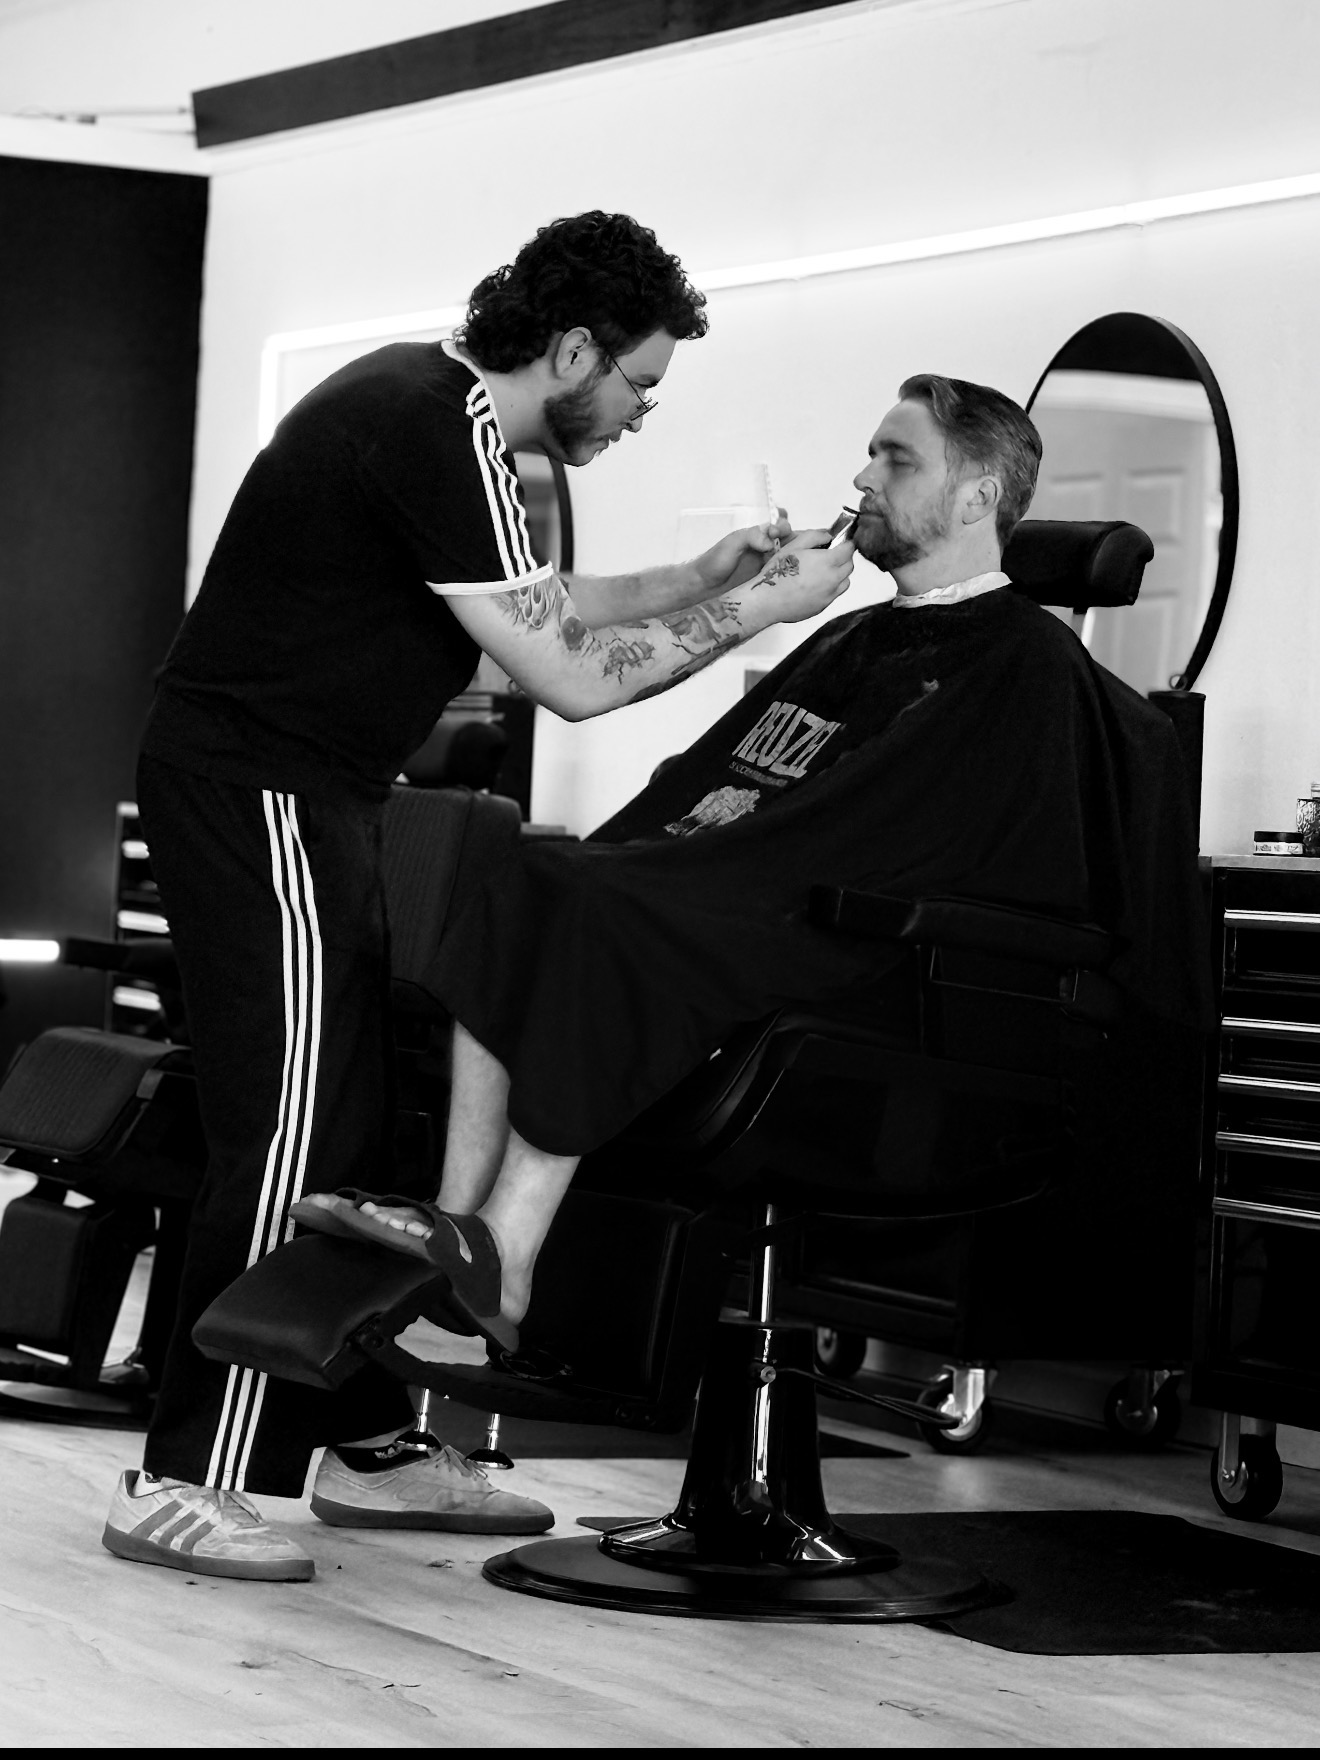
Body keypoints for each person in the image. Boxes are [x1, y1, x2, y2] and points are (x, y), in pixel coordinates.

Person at [102, 210, 854, 1583]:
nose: (638, 412)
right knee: (290, 1135)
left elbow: (537, 607)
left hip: (314, 791)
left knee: (359, 1129)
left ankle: (361, 1440)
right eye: (636, 383)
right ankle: (186, 1475)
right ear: (571, 350)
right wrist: (760, 613)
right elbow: (566, 675)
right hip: (259, 788)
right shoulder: (432, 426)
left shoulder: (442, 415)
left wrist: (699, 579)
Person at [294, 373, 1208, 1350]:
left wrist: (701, 872)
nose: (863, 477)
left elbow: (924, 841)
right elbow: (726, 779)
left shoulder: (1027, 662)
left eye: (897, 459)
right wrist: (743, 613)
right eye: (871, 453)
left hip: (865, 957)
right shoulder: (850, 636)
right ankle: (458, 1219)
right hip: (761, 900)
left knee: (597, 901)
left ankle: (508, 1247)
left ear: (979, 495)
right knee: (527, 876)